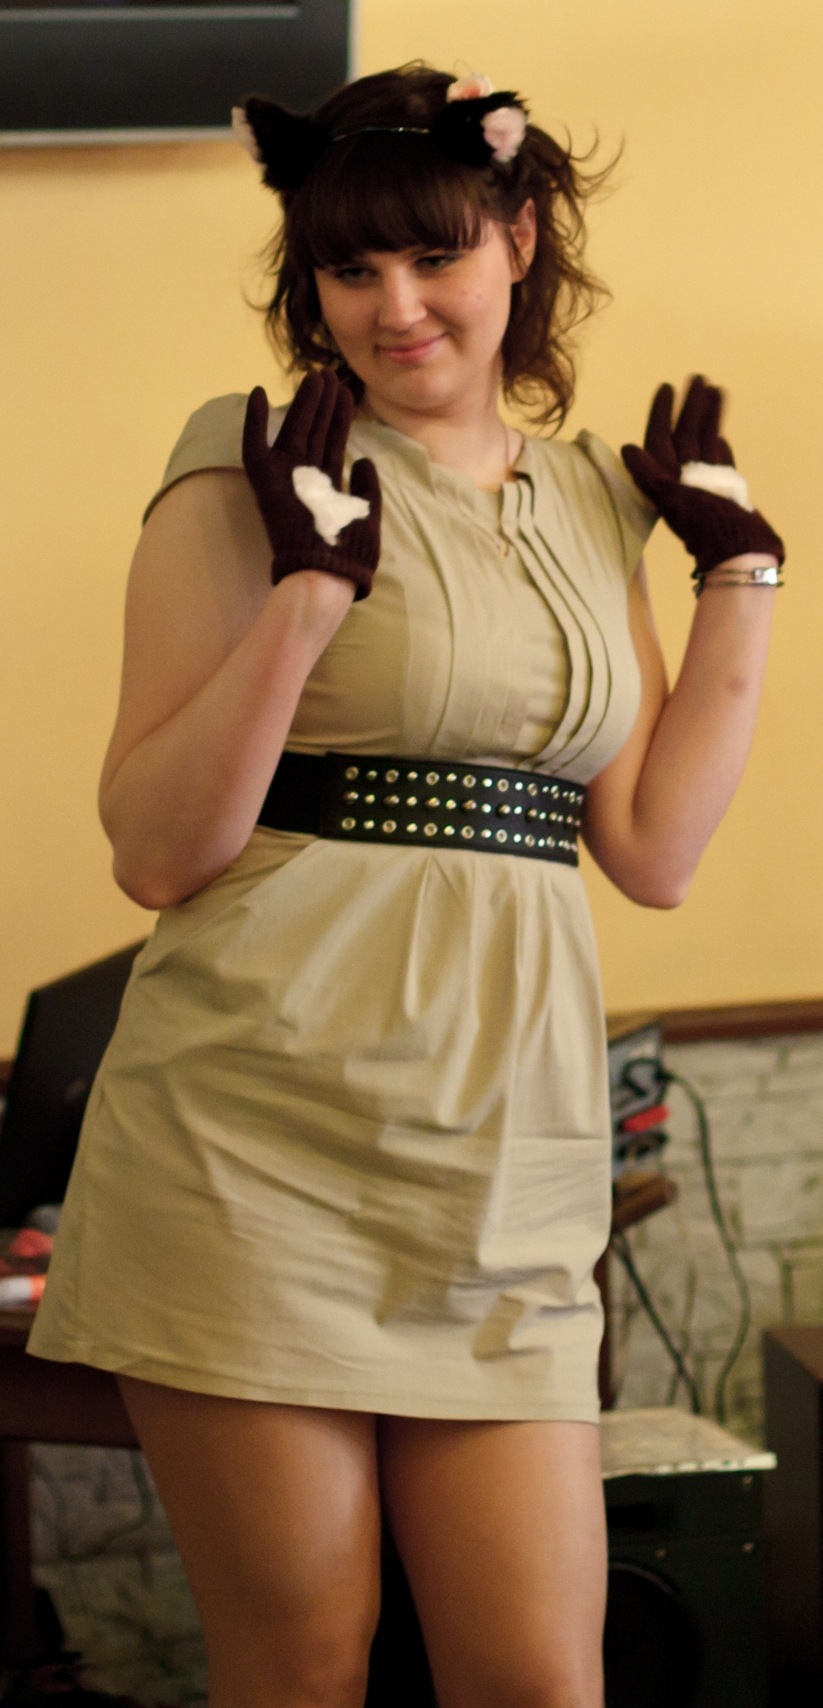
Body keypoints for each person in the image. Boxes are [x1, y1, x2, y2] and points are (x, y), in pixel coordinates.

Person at [28, 63, 784, 1708]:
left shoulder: (591, 498)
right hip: (257, 1141)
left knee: (539, 1678)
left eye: (435, 256)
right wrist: (307, 596)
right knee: (305, 1667)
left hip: (505, 1161)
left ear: (520, 238)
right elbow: (155, 849)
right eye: (351, 268)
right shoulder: (246, 460)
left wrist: (739, 572)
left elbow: (652, 850)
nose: (396, 306)